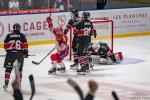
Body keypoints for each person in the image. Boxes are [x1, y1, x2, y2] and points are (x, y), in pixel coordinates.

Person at [3, 23, 28, 91]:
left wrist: (8, 51)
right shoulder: (22, 35)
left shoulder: (8, 35)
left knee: (8, 69)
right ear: (19, 28)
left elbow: (5, 46)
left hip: (10, 54)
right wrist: (26, 53)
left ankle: (6, 83)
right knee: (19, 70)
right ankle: (19, 84)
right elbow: (25, 46)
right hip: (19, 55)